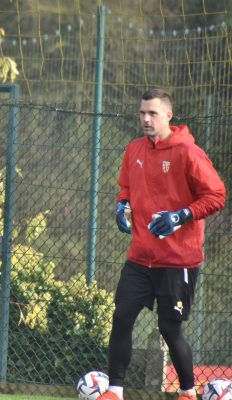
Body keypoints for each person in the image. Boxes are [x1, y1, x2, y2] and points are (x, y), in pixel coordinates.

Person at [98, 89, 226, 400]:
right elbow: (126, 189)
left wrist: (181, 216)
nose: (145, 119)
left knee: (170, 329)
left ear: (168, 115)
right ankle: (114, 392)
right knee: (122, 315)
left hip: (177, 260)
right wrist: (121, 207)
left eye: (152, 113)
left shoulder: (188, 153)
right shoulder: (134, 150)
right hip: (140, 258)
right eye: (142, 112)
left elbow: (217, 196)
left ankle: (187, 392)